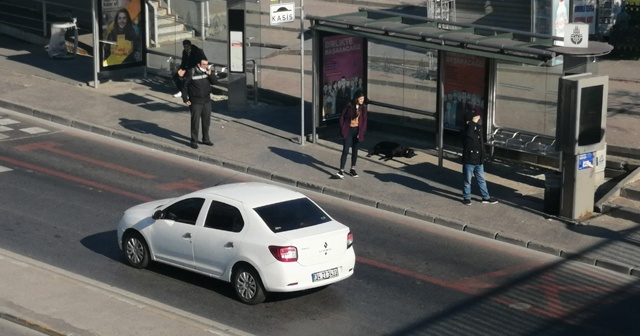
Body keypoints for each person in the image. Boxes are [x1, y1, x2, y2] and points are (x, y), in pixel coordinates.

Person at [461, 109, 498, 205]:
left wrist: (483, 156)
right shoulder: (465, 130)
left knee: (482, 180)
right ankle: (466, 197)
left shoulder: (477, 129)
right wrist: (472, 123)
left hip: (478, 160)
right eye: (474, 120)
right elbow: (468, 135)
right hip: (469, 160)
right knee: (467, 180)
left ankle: (486, 197)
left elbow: (481, 143)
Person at [181, 58, 217, 149]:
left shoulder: (207, 72)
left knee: (206, 122)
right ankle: (194, 141)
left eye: (207, 64)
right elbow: (184, 86)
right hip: (196, 102)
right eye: (204, 64)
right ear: (198, 64)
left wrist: (211, 75)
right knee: (195, 122)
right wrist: (185, 99)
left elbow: (215, 82)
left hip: (207, 101)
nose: (206, 66)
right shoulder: (191, 72)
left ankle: (206, 139)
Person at [336, 91, 368, 179]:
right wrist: (343, 127)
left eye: (363, 99)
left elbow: (364, 120)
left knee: (355, 150)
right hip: (348, 129)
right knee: (345, 150)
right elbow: (342, 115)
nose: (362, 100)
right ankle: (341, 170)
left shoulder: (363, 107)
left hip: (357, 130)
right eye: (361, 99)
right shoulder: (349, 105)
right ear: (356, 98)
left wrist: (362, 132)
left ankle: (352, 169)